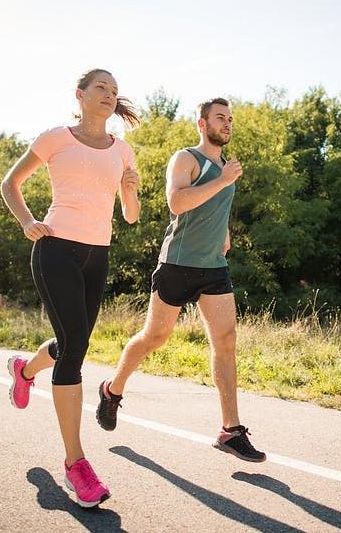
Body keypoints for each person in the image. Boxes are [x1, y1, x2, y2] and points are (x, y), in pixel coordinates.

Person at [95, 97, 266, 463]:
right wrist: (223, 180)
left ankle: (231, 430)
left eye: (230, 118)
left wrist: (224, 233)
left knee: (226, 341)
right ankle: (112, 390)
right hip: (177, 264)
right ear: (202, 124)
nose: (227, 123)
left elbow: (216, 207)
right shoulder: (186, 158)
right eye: (220, 117)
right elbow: (177, 202)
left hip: (213, 267)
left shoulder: (224, 166)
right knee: (154, 337)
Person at [0, 68, 141, 507]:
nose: (109, 94)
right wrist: (27, 221)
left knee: (71, 342)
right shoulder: (55, 138)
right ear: (80, 95)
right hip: (55, 248)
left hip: (97, 255)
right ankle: (75, 463)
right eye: (101, 87)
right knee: (75, 346)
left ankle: (25, 371)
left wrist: (131, 190)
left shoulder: (123, 150)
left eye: (114, 90)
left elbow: (131, 216)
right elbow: (10, 183)